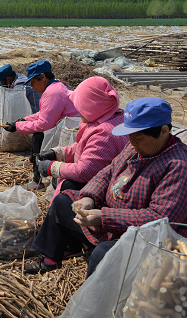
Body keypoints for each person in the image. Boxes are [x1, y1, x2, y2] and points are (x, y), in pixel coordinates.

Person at [25, 97, 187, 277]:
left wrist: (104, 217)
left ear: (164, 131)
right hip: (113, 225)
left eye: (138, 138)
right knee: (62, 202)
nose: (132, 142)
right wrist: (89, 197)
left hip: (145, 239)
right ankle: (50, 260)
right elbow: (108, 172)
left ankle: (93, 302)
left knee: (103, 254)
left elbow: (159, 219)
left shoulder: (178, 165)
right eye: (130, 137)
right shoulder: (135, 148)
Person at [35, 77, 129, 199]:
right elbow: (87, 148)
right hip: (103, 178)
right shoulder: (112, 117)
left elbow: (84, 171)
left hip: (102, 189)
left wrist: (52, 167)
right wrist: (58, 153)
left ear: (92, 106)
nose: (79, 111)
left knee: (66, 189)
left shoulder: (103, 133)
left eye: (82, 107)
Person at [4, 60, 78, 190]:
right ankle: (34, 162)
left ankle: (39, 180)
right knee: (38, 133)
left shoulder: (53, 92)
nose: (32, 86)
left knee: (39, 136)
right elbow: (44, 113)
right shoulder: (56, 86)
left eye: (33, 82)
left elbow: (45, 123)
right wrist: (23, 120)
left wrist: (18, 127)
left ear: (43, 77)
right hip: (67, 126)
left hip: (71, 131)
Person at [0, 64, 41, 131]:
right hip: (29, 116)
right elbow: (5, 100)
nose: (2, 85)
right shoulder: (16, 78)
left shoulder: (20, 85)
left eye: (2, 82)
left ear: (8, 79)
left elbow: (8, 104)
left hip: (35, 117)